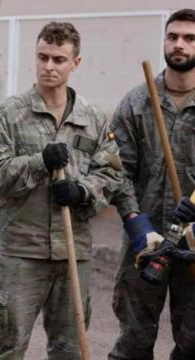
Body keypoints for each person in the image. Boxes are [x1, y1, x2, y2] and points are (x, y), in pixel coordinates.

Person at [0, 22, 124, 359]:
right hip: (22, 252)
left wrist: (81, 192)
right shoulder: (10, 113)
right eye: (43, 57)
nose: (49, 66)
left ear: (76, 63)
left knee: (69, 348)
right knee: (10, 345)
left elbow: (111, 174)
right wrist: (38, 162)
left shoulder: (92, 118)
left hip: (74, 250)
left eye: (58, 59)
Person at [108, 9, 195, 360]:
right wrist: (135, 221)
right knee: (133, 340)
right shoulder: (136, 102)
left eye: (190, 38)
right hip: (145, 245)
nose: (179, 44)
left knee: (193, 344)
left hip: (193, 247)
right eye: (172, 36)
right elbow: (116, 170)